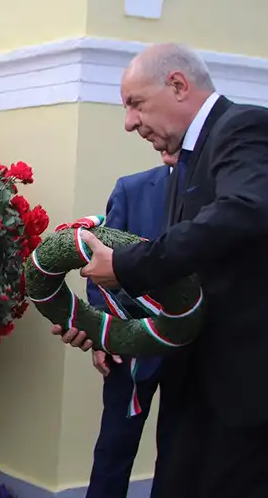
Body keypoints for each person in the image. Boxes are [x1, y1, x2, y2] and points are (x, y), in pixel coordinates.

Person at [56, 43, 268, 498]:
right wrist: (104, 328)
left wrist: (125, 265)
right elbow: (186, 279)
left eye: (136, 104)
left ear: (177, 85)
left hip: (259, 394)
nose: (129, 122)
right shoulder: (187, 164)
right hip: (198, 390)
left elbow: (242, 213)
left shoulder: (250, 129)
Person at [85, 152, 177, 498]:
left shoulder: (216, 192)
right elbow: (100, 270)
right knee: (113, 449)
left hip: (194, 350)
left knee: (179, 454)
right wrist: (101, 337)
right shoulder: (132, 188)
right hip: (132, 346)